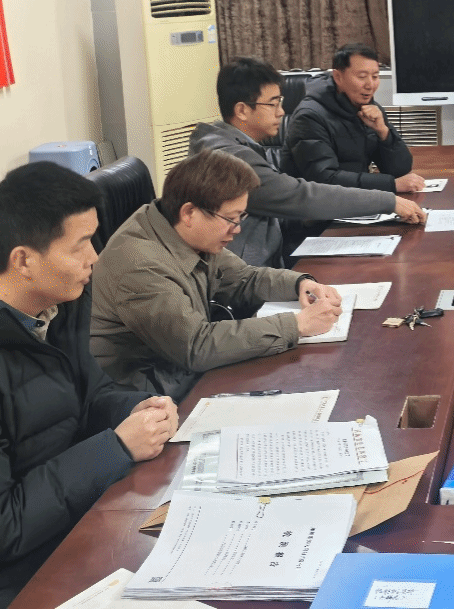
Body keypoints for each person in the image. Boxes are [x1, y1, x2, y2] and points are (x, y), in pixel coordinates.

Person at [0, 162, 177, 609]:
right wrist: (115, 448)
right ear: (24, 260)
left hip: (56, 528)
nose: (95, 258)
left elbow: (88, 397)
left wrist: (136, 409)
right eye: (80, 245)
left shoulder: (53, 302)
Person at [90, 149, 345, 400]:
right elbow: (196, 347)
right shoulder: (140, 264)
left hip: (178, 376)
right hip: (144, 398)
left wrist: (300, 284)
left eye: (241, 217)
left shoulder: (184, 232)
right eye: (231, 219)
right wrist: (297, 325)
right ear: (189, 213)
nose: (237, 229)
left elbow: (244, 279)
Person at [190, 56, 426, 267]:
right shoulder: (227, 160)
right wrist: (387, 200)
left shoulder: (236, 146)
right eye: (273, 104)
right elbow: (299, 196)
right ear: (242, 110)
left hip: (268, 260)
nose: (282, 112)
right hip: (247, 278)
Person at [285, 43, 426, 193]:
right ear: (338, 77)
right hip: (315, 203)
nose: (370, 85)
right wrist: (391, 184)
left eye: (375, 76)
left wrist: (384, 132)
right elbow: (323, 178)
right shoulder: (309, 116)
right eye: (362, 77)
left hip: (355, 199)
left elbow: (401, 170)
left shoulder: (369, 109)